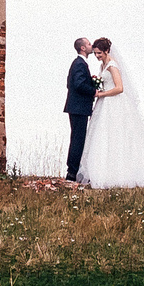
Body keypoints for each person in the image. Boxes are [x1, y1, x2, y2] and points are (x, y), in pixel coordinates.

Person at [76, 35, 144, 188]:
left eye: (99, 53)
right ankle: (104, 172)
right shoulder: (103, 66)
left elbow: (119, 88)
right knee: (103, 136)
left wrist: (101, 94)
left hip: (114, 103)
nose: (96, 56)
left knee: (117, 136)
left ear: (107, 51)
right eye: (95, 53)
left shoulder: (113, 66)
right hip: (104, 104)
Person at [62, 36, 99, 182]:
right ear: (83, 48)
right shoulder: (79, 63)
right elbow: (78, 84)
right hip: (78, 108)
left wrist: (91, 81)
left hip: (77, 107)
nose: (92, 46)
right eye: (89, 44)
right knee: (78, 140)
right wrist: (93, 91)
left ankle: (74, 171)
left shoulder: (80, 63)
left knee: (78, 138)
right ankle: (72, 173)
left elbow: (71, 83)